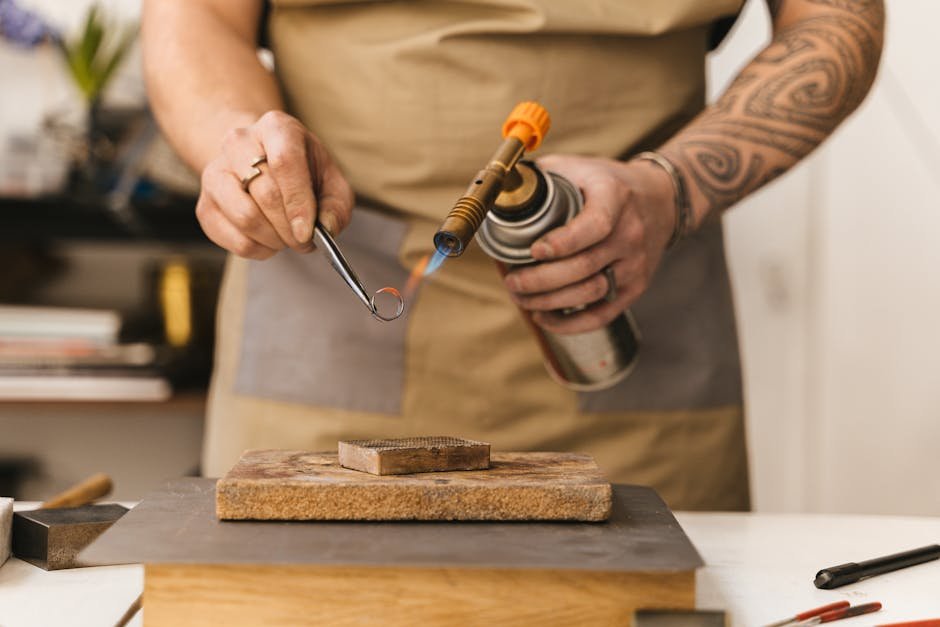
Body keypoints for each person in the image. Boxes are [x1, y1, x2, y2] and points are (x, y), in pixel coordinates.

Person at [142, 0, 884, 510]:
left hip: (630, 332)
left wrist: (668, 191)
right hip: (326, 330)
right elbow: (196, 14)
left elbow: (838, 18)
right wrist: (238, 142)